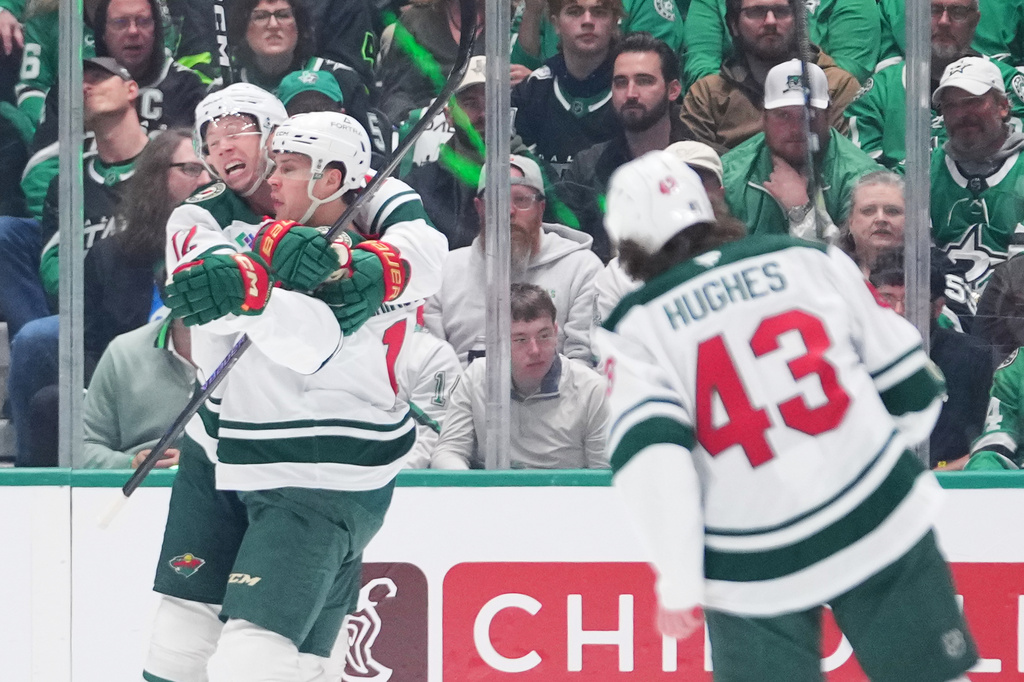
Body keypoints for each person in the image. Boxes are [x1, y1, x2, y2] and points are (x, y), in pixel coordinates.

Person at [595, 149, 977, 682]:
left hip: (750, 555)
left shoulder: (634, 328)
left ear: (626, 243)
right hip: (875, 511)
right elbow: (910, 386)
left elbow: (654, 463)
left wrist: (678, 580)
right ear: (711, 211)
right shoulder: (807, 260)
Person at [143, 95, 448, 680]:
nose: (223, 146)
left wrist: (380, 268)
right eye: (210, 138)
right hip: (221, 445)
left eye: (240, 131)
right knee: (191, 637)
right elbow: (197, 275)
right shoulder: (201, 211)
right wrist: (257, 256)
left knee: (252, 660)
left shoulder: (364, 207)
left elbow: (424, 251)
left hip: (317, 459)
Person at [4, 56, 150, 467]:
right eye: (78, 81)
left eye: (99, 77)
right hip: (89, 319)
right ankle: (32, 481)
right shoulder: (67, 181)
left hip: (151, 314)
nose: (85, 86)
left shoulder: (167, 167)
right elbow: (54, 271)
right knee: (35, 339)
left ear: (132, 89)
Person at [424, 154, 603, 366]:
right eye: (496, 201)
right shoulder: (445, 271)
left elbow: (584, 366)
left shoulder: (581, 269)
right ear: (479, 208)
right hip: (461, 395)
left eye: (521, 200)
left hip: (556, 396)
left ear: (541, 209)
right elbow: (431, 366)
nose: (508, 212)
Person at [432, 282, 609, 469]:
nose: (534, 350)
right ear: (497, 340)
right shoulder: (477, 376)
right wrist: (470, 491)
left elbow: (603, 474)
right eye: (520, 339)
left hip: (564, 494)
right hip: (493, 495)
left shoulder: (592, 390)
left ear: (556, 332)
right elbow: (449, 450)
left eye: (544, 335)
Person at [84, 127, 211, 373]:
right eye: (192, 169)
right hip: (129, 387)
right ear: (157, 177)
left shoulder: (234, 247)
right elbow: (88, 348)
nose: (206, 180)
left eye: (211, 170)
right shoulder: (108, 256)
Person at [846, 0, 1024, 172]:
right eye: (933, 10)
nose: (944, 22)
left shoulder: (1006, 83)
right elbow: (862, 178)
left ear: (975, 21)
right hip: (899, 201)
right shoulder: (879, 91)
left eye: (958, 12)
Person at [559, 32, 692, 262]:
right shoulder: (587, 167)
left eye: (644, 81)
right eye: (621, 82)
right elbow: (568, 256)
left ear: (673, 90)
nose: (630, 94)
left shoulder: (701, 164)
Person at [722, 59, 880, 242]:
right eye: (784, 115)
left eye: (808, 115)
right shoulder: (730, 175)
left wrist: (800, 208)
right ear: (763, 118)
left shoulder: (863, 181)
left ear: (828, 115)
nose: (797, 128)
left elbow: (854, 265)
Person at [679, 0, 862, 154]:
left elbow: (849, 168)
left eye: (782, 12)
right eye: (756, 12)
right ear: (734, 25)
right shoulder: (707, 95)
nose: (770, 21)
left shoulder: (837, 85)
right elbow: (696, 176)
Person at [869, 248, 994, 471]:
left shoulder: (975, 358)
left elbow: (989, 445)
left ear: (938, 308)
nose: (898, 310)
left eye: (911, 300)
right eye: (887, 297)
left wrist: (938, 475)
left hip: (953, 485)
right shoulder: (851, 356)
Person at [930, 56, 1024, 295]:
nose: (962, 113)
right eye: (951, 105)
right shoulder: (926, 169)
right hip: (946, 310)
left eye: (972, 101)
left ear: (1003, 106)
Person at [838, 170, 975, 331]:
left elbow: (959, 325)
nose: (880, 219)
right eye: (868, 210)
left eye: (892, 211)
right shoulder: (830, 267)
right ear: (851, 221)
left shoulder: (937, 266)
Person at [510, 0, 622, 176]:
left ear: (615, 22)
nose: (587, 21)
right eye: (574, 12)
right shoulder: (531, 91)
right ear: (556, 24)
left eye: (599, 12)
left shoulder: (630, 91)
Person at [225, 0, 372, 133]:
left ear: (299, 25)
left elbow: (372, 151)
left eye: (283, 15)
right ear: (243, 28)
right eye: (260, 16)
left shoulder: (341, 79)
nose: (273, 25)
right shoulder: (227, 86)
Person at [682, 0, 879, 89]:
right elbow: (701, 65)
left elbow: (851, 69)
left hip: (815, 105)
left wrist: (785, 98)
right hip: (735, 107)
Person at [80, 317, 195, 469]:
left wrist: (201, 465)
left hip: (223, 485)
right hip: (138, 486)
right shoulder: (123, 352)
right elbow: (84, 448)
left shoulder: (237, 353)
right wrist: (130, 464)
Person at [375, 0, 486, 125]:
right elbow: (396, 94)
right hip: (424, 126)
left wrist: (512, 90)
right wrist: (413, 120)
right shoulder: (416, 22)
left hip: (493, 131)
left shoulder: (507, 29)